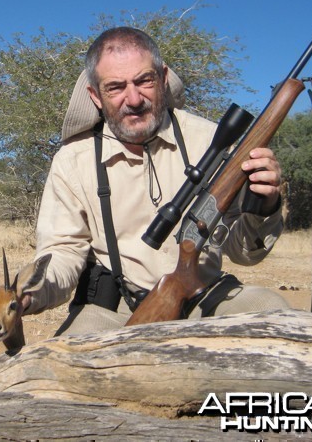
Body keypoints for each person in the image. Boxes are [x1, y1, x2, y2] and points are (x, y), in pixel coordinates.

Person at [23, 27, 289, 335]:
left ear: (162, 78)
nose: (133, 99)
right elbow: (63, 252)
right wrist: (30, 291)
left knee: (272, 316)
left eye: (144, 80)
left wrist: (265, 206)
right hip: (117, 310)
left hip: (206, 299)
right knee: (68, 364)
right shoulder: (72, 161)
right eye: (115, 87)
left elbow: (244, 253)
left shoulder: (211, 140)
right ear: (95, 96)